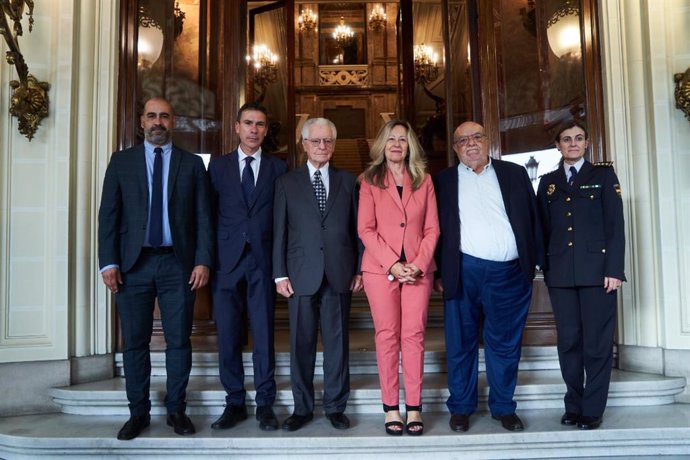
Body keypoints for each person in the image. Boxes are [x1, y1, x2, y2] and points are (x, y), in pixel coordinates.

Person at [98, 97, 213, 440]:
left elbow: (204, 218)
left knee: (178, 341)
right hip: (133, 266)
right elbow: (108, 216)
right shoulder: (122, 162)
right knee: (135, 343)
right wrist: (109, 262)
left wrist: (203, 259)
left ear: (173, 122)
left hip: (178, 264)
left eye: (164, 116)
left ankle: (177, 410)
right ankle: (139, 413)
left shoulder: (191, 164)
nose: (158, 122)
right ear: (141, 121)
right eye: (152, 116)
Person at [434, 121, 539, 433]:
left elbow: (533, 219)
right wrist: (440, 272)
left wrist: (535, 263)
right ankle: (462, 408)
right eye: (463, 140)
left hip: (509, 274)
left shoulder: (514, 173)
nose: (471, 144)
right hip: (463, 272)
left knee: (505, 344)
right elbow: (433, 231)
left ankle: (504, 407)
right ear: (455, 149)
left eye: (476, 137)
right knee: (460, 344)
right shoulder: (443, 181)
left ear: (487, 140)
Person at [272, 117, 362, 431]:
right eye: (316, 141)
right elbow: (280, 232)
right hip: (299, 275)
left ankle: (336, 407)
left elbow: (357, 231)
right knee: (301, 344)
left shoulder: (349, 182)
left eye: (327, 141)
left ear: (334, 145)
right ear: (304, 144)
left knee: (337, 345)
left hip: (339, 273)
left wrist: (359, 269)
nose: (322, 146)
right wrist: (279, 274)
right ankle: (302, 408)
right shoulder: (286, 182)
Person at [536, 120, 625, 430]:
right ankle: (573, 404)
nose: (572, 143)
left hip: (598, 275)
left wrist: (615, 269)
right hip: (560, 275)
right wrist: (543, 267)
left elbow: (615, 226)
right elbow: (542, 230)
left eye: (578, 138)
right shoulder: (547, 183)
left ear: (587, 143)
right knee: (569, 343)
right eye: (566, 139)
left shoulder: (602, 176)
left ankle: (592, 408)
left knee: (597, 345)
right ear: (558, 146)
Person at [208, 102, 287, 431]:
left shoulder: (279, 169)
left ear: (266, 130)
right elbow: (207, 215)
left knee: (264, 333)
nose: (254, 129)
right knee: (227, 334)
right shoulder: (218, 167)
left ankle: (265, 403)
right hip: (226, 262)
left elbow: (284, 220)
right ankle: (235, 401)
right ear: (236, 127)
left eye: (260, 124)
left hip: (263, 262)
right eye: (248, 123)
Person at [357, 120, 440, 436]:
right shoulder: (369, 181)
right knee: (387, 336)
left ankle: (414, 407)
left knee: (414, 336)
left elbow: (433, 228)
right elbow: (365, 229)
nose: (396, 144)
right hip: (381, 270)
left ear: (410, 147)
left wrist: (418, 263)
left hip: (419, 271)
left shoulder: (425, 180)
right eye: (391, 139)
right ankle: (391, 407)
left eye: (402, 140)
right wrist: (393, 263)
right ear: (382, 144)